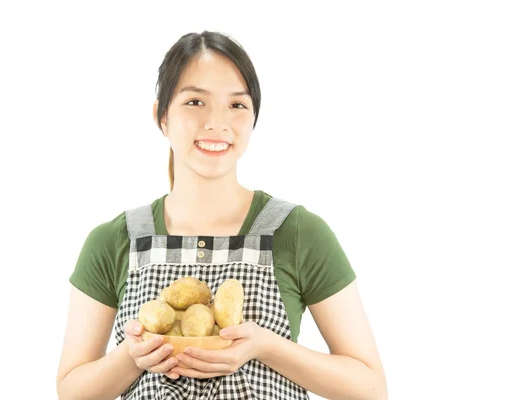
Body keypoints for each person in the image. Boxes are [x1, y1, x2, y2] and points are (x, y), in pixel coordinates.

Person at [56, 31, 387, 400]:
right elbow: (72, 391)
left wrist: (265, 346)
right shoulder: (114, 240)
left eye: (237, 105)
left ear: (254, 118)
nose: (217, 122)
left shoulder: (298, 232)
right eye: (195, 101)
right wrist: (132, 357)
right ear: (161, 116)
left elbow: (369, 388)